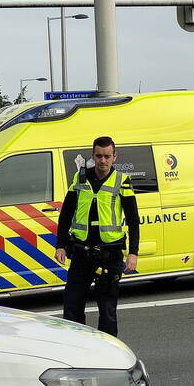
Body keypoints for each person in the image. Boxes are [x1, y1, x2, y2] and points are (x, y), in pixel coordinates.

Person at [54, 136, 139, 337]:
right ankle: (76, 347)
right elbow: (66, 213)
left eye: (107, 156)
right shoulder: (79, 178)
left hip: (110, 254)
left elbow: (133, 220)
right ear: (93, 156)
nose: (103, 161)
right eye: (99, 156)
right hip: (81, 252)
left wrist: (133, 253)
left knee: (107, 310)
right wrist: (60, 245)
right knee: (72, 306)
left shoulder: (122, 181)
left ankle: (108, 354)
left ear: (114, 157)